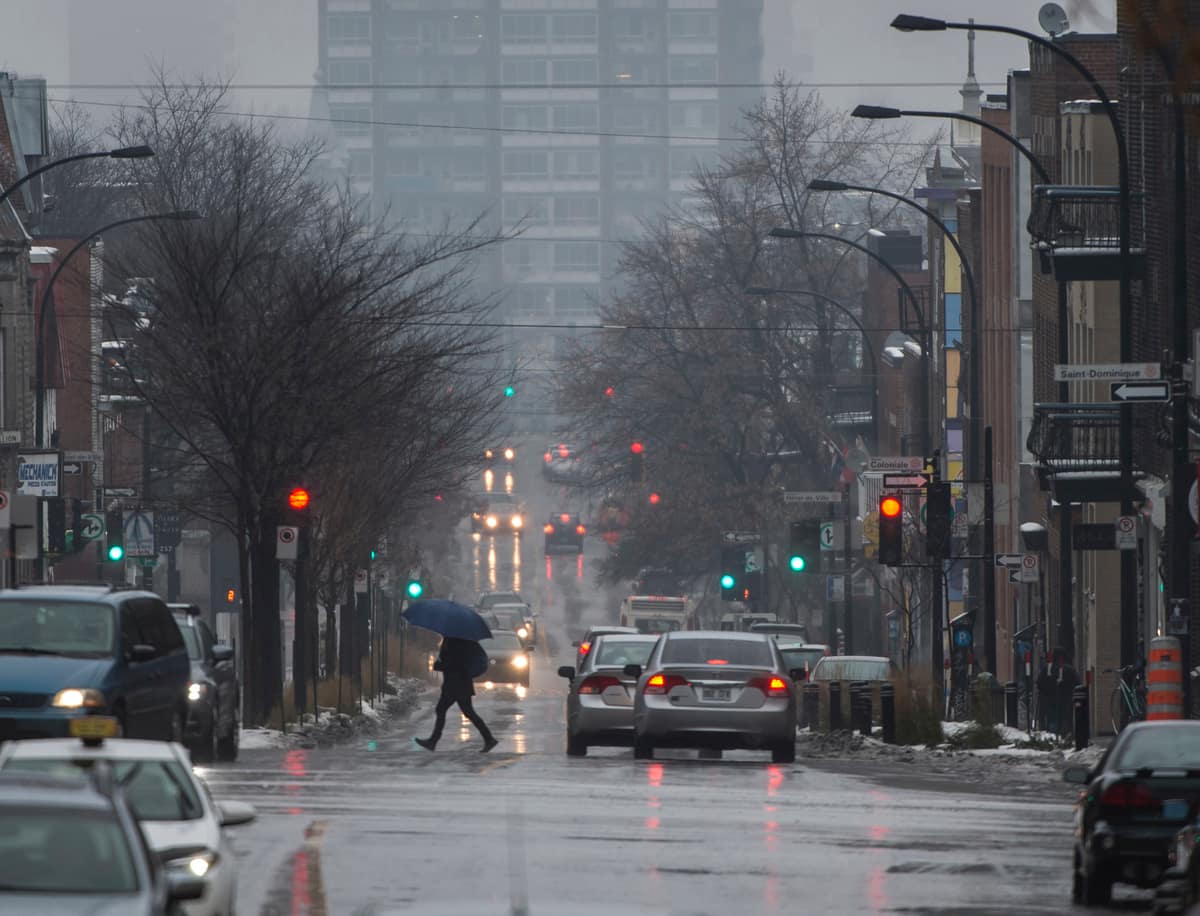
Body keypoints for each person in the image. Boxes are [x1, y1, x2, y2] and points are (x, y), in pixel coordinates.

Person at [415, 636, 498, 753]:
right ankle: (489, 739)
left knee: (444, 710)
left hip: (456, 684)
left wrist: (438, 666)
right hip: (459, 683)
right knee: (466, 712)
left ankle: (433, 741)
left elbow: (454, 663)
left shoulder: (455, 641)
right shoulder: (456, 640)